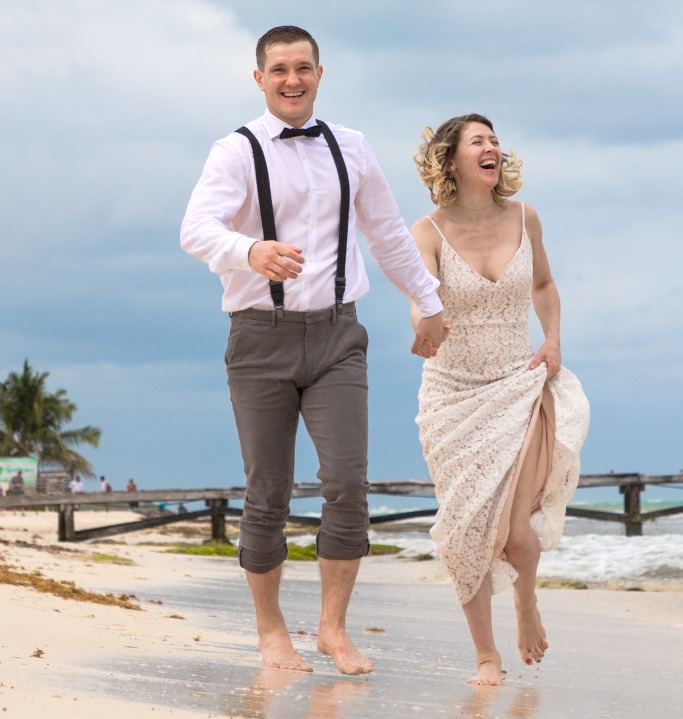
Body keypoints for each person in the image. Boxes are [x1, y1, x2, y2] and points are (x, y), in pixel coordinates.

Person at [180, 25, 449, 675]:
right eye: (279, 70)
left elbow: (386, 232)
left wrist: (429, 300)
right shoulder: (236, 151)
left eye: (303, 68)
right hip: (258, 338)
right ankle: (272, 632)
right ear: (259, 78)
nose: (292, 80)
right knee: (268, 490)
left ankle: (332, 627)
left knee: (347, 483)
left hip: (337, 337)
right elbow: (195, 228)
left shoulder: (351, 147)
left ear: (320, 74)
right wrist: (251, 251)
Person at [411, 114, 589, 685]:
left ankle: (527, 602)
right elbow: (422, 299)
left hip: (518, 384)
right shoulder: (427, 232)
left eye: (494, 140)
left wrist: (554, 339)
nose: (492, 148)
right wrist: (426, 323)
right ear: (451, 161)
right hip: (452, 397)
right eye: (477, 142)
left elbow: (542, 285)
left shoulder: (524, 216)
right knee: (466, 528)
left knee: (514, 535)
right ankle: (486, 656)